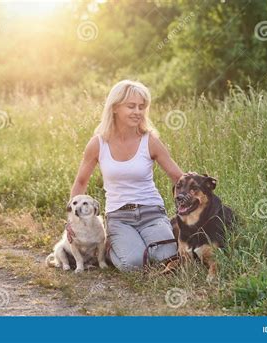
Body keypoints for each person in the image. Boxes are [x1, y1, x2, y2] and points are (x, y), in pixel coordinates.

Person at [68, 80, 183, 271]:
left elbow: (178, 178)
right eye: (131, 106)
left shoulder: (150, 141)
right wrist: (71, 221)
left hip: (152, 212)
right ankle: (110, 246)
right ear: (114, 108)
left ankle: (150, 238)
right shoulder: (98, 144)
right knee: (133, 264)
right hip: (119, 217)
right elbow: (80, 182)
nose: (137, 111)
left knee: (167, 258)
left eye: (141, 107)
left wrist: (192, 205)